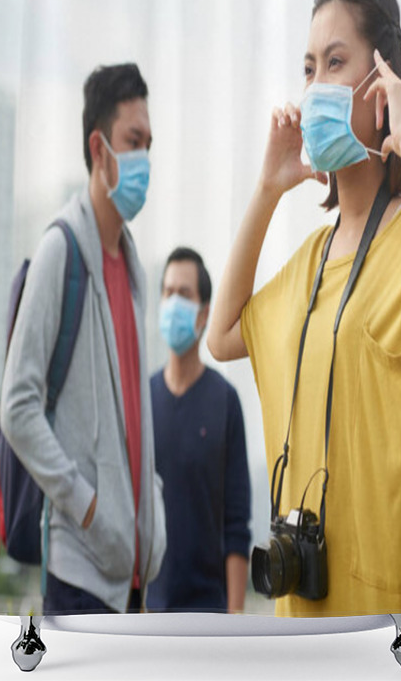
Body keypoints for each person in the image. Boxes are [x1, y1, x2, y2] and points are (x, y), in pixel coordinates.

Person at [207, 0, 401, 617]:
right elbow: (220, 336)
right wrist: (269, 188)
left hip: (384, 619)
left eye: (335, 63)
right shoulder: (309, 262)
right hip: (299, 619)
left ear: (381, 82)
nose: (314, 88)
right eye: (308, 69)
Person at [0, 63, 166, 614]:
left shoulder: (132, 266)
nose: (144, 159)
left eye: (149, 144)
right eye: (132, 141)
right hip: (80, 572)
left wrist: (151, 514)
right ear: (99, 149)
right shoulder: (61, 251)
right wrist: (87, 507)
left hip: (130, 575)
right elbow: (17, 408)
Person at [148, 247, 251, 613]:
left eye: (185, 294)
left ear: (204, 313)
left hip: (209, 611)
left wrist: (235, 618)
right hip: (146, 610)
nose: (174, 301)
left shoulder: (224, 401)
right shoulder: (142, 400)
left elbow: (237, 522)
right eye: (168, 292)